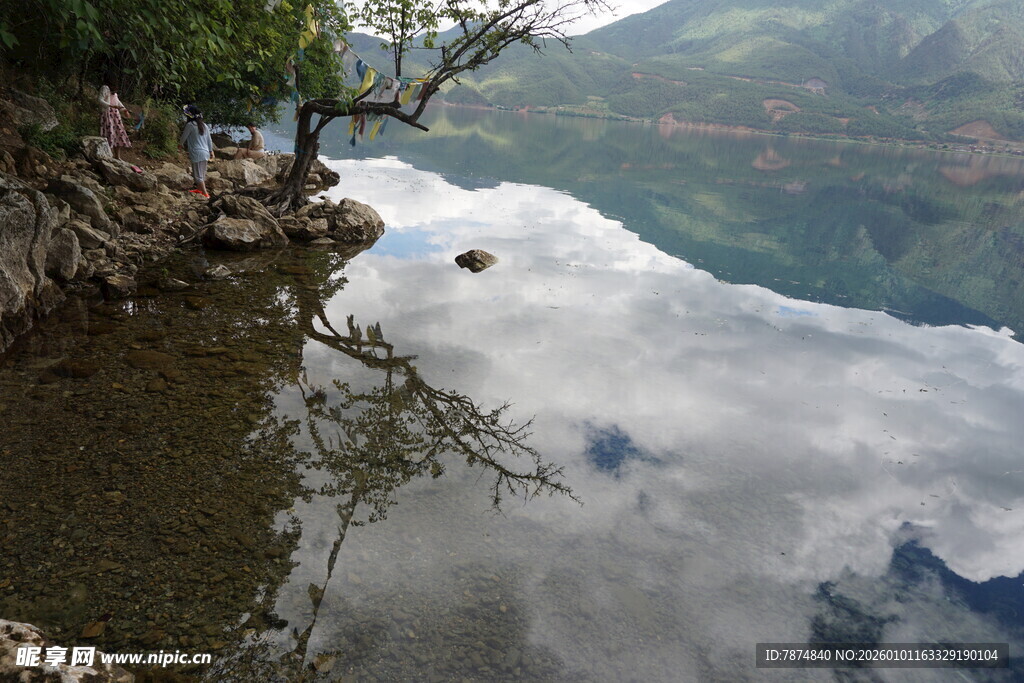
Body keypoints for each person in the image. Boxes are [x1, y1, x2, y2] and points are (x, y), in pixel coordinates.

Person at [179, 104, 215, 198]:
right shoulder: (205, 126)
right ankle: (199, 190)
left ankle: (206, 194)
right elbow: (209, 140)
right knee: (202, 174)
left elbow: (183, 137)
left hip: (197, 153)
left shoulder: (190, 125)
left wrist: (180, 145)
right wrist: (211, 151)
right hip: (205, 152)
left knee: (198, 176)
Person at [98, 84, 132, 160]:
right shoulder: (105, 88)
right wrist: (110, 106)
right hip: (107, 114)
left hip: (115, 115)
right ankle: (107, 156)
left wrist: (124, 110)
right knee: (109, 134)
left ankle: (117, 156)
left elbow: (117, 102)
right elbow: (100, 100)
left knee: (118, 134)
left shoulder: (114, 93)